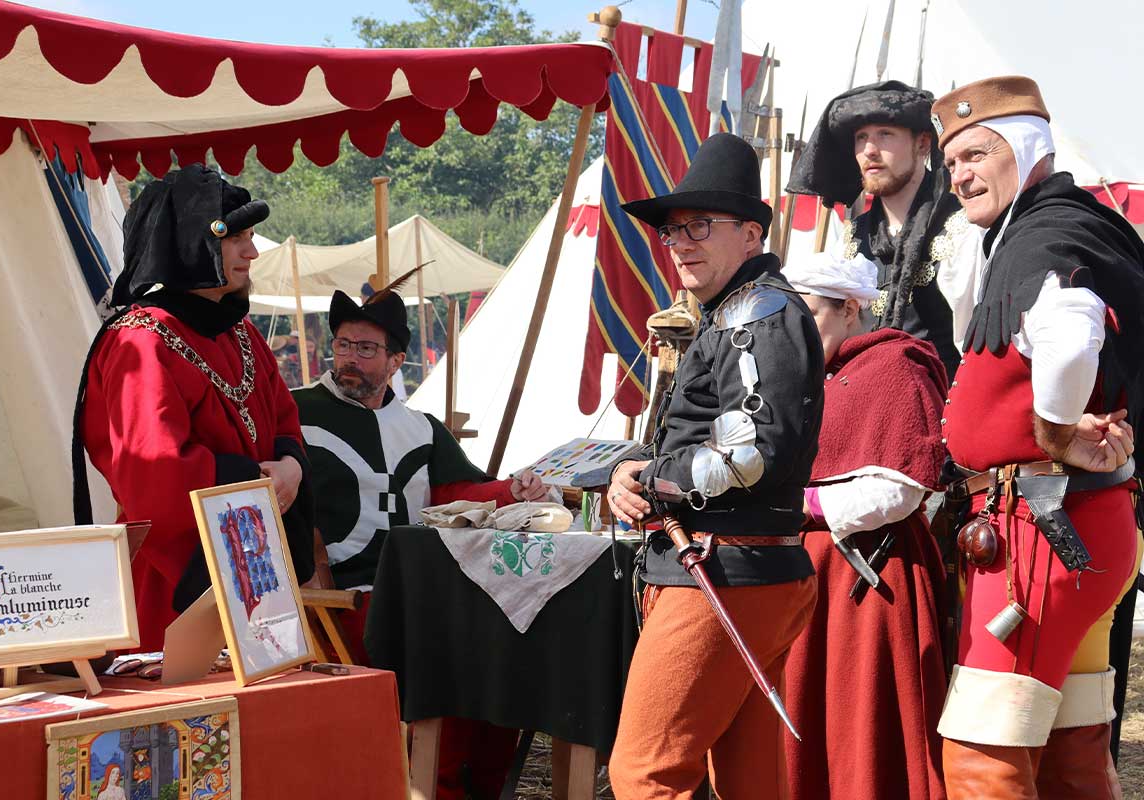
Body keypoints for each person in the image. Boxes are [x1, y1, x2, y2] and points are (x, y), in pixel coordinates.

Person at [932, 75, 1144, 798]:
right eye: (951, 163)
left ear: (1027, 149)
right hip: (1071, 527)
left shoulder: (1045, 233)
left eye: (976, 154)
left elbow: (1072, 334)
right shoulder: (1058, 224)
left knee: (982, 749)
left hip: (1040, 536)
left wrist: (1054, 432)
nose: (960, 176)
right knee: (1069, 750)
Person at [604, 132, 824, 800]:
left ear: (751, 234)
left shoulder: (756, 313)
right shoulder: (730, 312)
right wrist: (637, 467)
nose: (681, 243)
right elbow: (700, 433)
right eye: (673, 231)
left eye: (700, 225)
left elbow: (752, 453)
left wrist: (652, 479)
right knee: (748, 780)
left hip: (725, 572)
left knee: (645, 774)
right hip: (736, 569)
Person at [293, 283, 547, 800]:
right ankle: (432, 785)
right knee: (446, 647)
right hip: (341, 597)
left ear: (395, 362)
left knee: (501, 645)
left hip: (417, 588)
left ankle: (474, 785)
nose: (350, 358)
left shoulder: (422, 428)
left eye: (367, 349)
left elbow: (459, 494)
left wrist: (514, 491)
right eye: (343, 344)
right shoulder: (295, 413)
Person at [73, 165, 315, 652]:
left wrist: (291, 466)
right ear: (190, 243)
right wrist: (255, 480)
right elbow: (153, 472)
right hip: (173, 583)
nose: (251, 252)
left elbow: (285, 423)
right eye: (236, 238)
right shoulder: (141, 341)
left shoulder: (241, 333)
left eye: (251, 237)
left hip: (255, 563)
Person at [780, 251, 949, 799]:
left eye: (808, 314)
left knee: (864, 728)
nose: (795, 331)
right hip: (807, 574)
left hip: (871, 576)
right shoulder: (812, 375)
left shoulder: (896, 365)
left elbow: (901, 489)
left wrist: (801, 502)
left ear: (850, 308)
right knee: (805, 719)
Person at [788, 80, 984, 377]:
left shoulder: (962, 229)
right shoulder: (853, 238)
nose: (869, 150)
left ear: (922, 144)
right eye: (861, 137)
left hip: (942, 396)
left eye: (885, 134)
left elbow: (975, 347)